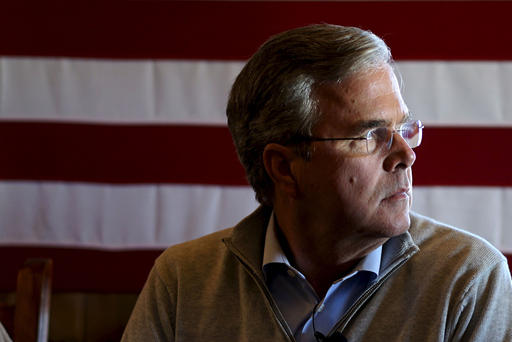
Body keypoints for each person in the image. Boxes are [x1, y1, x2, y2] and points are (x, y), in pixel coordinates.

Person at [122, 24, 512, 341]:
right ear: (284, 168)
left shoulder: (468, 279)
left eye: (404, 129)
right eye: (370, 136)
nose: (405, 155)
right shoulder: (182, 279)